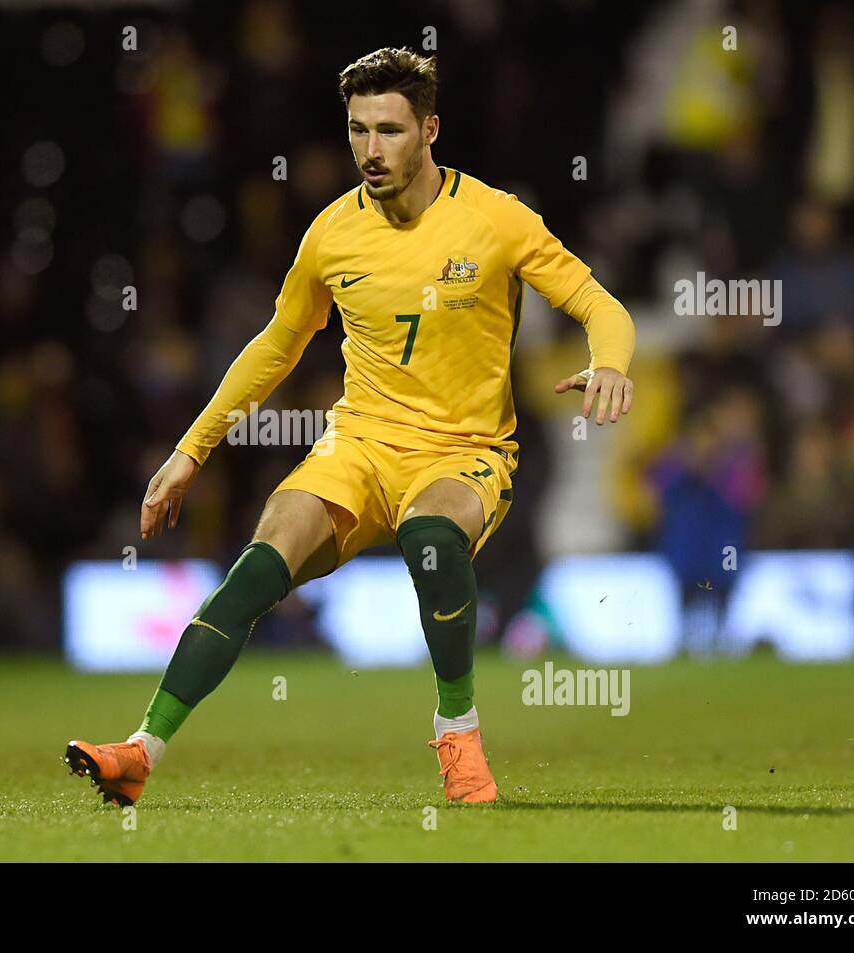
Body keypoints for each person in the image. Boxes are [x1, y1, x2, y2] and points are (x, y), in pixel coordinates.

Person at [67, 47, 635, 806]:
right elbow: (276, 345)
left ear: (430, 130)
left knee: (431, 540)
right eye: (358, 130)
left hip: (464, 451)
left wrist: (612, 361)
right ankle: (141, 749)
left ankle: (458, 734)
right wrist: (189, 451)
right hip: (358, 445)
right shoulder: (333, 234)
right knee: (255, 571)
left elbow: (599, 303)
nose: (371, 150)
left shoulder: (496, 220)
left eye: (390, 130)